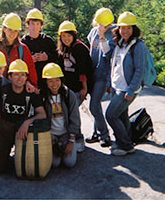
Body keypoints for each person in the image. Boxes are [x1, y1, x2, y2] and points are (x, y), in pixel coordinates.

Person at [0, 59, 46, 173]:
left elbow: (42, 114)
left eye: (23, 75)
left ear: (26, 78)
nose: (20, 78)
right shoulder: (3, 90)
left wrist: (27, 122)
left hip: (22, 130)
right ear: (10, 77)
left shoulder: (30, 93)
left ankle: (17, 154)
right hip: (5, 128)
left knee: (27, 168)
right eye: (16, 75)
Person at [105, 11, 146, 156]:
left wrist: (131, 90)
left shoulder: (138, 46)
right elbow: (112, 63)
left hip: (127, 89)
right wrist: (110, 83)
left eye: (129, 28)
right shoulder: (119, 43)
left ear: (134, 29)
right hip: (117, 87)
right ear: (118, 29)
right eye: (123, 28)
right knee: (122, 116)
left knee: (110, 115)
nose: (125, 31)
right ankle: (125, 141)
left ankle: (127, 145)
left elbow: (139, 70)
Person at [41, 63, 83, 168]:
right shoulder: (42, 97)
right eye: (50, 81)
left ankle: (74, 145)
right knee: (54, 164)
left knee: (69, 163)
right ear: (45, 82)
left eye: (57, 80)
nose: (54, 84)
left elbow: (75, 118)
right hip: (51, 136)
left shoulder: (69, 95)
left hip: (66, 135)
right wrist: (47, 139)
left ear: (61, 80)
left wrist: (71, 140)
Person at [85, 8, 116, 147]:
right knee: (96, 105)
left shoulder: (113, 35)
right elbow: (90, 45)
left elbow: (108, 54)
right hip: (92, 73)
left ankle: (105, 135)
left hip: (103, 75)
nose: (100, 26)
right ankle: (96, 133)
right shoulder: (93, 31)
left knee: (93, 106)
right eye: (98, 23)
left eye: (103, 24)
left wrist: (102, 35)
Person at [0, 12, 38, 92]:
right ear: (4, 29)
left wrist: (32, 85)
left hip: (17, 90)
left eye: (15, 31)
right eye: (10, 29)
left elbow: (30, 69)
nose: (12, 33)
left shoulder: (23, 49)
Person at [57, 21, 93, 106]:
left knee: (71, 112)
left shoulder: (80, 48)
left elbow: (83, 70)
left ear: (73, 35)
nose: (66, 38)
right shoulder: (63, 48)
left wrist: (84, 88)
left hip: (79, 88)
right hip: (68, 88)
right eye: (63, 36)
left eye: (69, 36)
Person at [21, 8, 57, 90]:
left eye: (37, 24)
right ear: (27, 25)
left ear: (41, 26)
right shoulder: (23, 42)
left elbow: (57, 57)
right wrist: (29, 60)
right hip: (29, 82)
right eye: (32, 24)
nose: (35, 27)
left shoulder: (47, 40)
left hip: (47, 81)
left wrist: (47, 57)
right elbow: (18, 62)